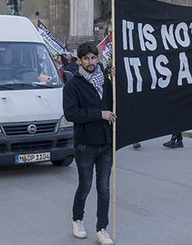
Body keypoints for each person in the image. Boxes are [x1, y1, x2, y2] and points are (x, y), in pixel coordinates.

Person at [63, 42, 115, 245]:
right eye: (86, 58)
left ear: (98, 58)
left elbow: (115, 102)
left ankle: (102, 229)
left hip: (105, 142)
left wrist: (116, 78)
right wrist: (99, 114)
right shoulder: (73, 85)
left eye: (94, 58)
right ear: (79, 61)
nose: (90, 62)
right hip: (85, 144)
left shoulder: (106, 82)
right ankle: (77, 220)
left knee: (104, 188)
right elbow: (71, 113)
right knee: (85, 185)